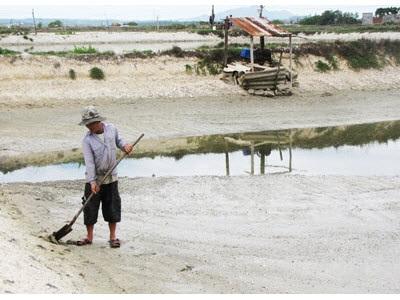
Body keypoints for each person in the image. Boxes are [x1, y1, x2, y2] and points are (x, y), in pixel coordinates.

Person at [77, 106, 133, 248]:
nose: (89, 127)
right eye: (87, 125)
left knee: (112, 206)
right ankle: (89, 237)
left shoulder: (111, 129)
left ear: (98, 121)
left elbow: (119, 141)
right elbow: (89, 163)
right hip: (94, 179)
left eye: (91, 124)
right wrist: (92, 182)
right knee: (89, 207)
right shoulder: (87, 140)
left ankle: (112, 237)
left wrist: (125, 146)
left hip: (111, 177)